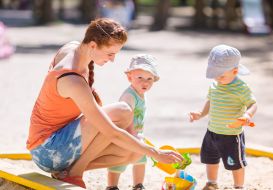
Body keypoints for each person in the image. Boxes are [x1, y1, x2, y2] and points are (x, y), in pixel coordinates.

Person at [26, 18, 183, 189]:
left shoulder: (75, 48)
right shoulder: (72, 79)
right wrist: (156, 154)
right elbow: (112, 132)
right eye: (110, 54)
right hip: (46, 150)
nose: (113, 60)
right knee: (122, 111)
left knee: (133, 153)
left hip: (60, 142)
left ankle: (67, 172)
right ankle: (75, 173)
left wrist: (143, 147)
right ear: (93, 45)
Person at [189, 44, 258, 190]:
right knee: (210, 159)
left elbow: (253, 104)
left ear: (235, 71)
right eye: (215, 74)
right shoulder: (215, 85)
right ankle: (212, 182)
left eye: (221, 75)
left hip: (231, 135)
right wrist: (200, 114)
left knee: (235, 164)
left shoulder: (241, 87)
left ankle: (239, 186)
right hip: (212, 131)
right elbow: (209, 101)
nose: (218, 78)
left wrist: (247, 115)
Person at [106, 54, 159, 190]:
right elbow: (125, 115)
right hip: (124, 135)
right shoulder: (129, 95)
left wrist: (138, 135)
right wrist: (132, 134)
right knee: (118, 161)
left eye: (149, 79)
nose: (145, 82)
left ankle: (138, 185)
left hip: (136, 136)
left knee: (141, 159)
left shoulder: (141, 93)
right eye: (139, 77)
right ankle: (112, 186)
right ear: (129, 77)